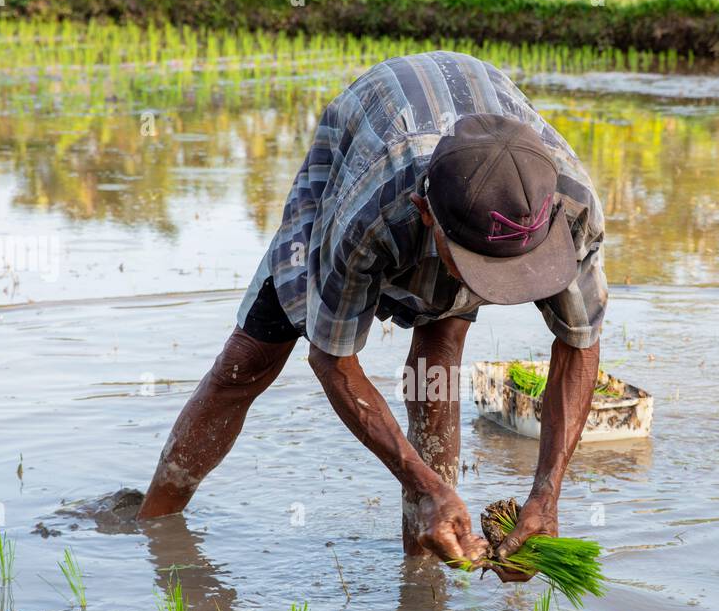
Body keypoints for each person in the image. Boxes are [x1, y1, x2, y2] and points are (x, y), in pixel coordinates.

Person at [138, 51, 607, 578]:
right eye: (481, 270)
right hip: (367, 136)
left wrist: (547, 493)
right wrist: (420, 479)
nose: (495, 291)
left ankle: (427, 566)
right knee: (247, 361)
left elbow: (579, 341)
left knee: (437, 364)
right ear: (426, 214)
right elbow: (332, 358)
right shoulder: (371, 211)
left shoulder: (572, 209)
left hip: (486, 177)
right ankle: (153, 525)